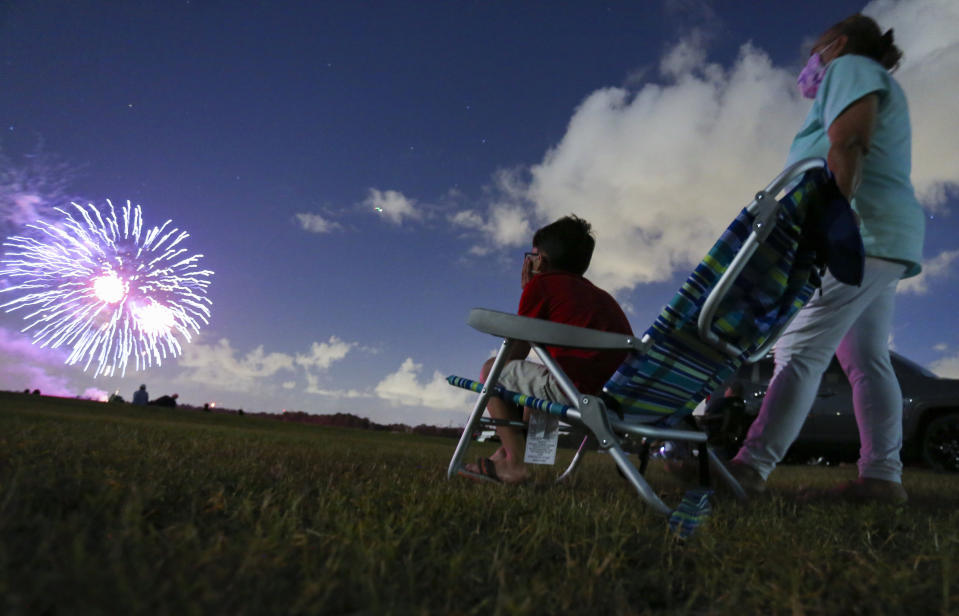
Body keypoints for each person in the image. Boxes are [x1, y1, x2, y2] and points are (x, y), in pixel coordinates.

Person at [729, 14, 924, 505]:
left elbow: (849, 142)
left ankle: (748, 469)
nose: (810, 65)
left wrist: (831, 224)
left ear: (834, 46)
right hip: (888, 238)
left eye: (815, 52)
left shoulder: (849, 68)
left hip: (860, 233)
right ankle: (882, 477)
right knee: (866, 359)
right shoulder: (871, 76)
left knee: (798, 350)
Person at [462, 215, 633, 484]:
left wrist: (529, 289)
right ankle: (508, 456)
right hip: (614, 398)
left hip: (576, 395)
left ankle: (514, 464)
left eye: (531, 255)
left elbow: (512, 355)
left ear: (539, 259)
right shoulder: (602, 297)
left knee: (492, 370)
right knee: (540, 382)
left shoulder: (541, 286)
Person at [699, 381, 747, 460]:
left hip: (716, 440)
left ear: (730, 390)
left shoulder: (722, 402)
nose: (725, 392)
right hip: (732, 443)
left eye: (727, 389)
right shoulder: (742, 406)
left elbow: (706, 418)